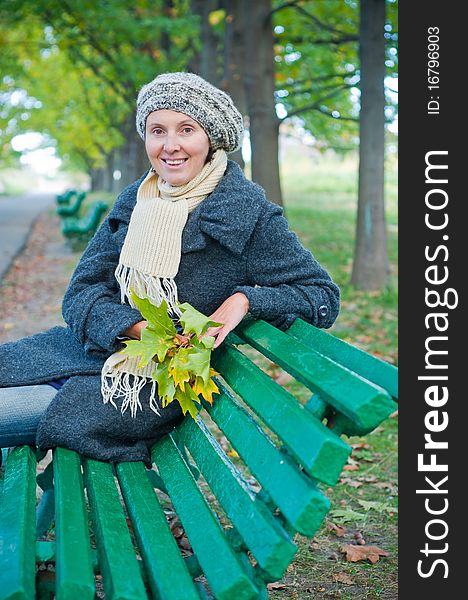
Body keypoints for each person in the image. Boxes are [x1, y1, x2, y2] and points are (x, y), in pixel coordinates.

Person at [0, 72, 340, 466]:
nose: (170, 146)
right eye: (157, 130)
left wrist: (244, 300)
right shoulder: (138, 198)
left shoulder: (246, 214)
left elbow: (322, 297)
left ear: (210, 138)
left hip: (139, 389)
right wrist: (139, 330)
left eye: (186, 130)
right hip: (84, 353)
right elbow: (81, 294)